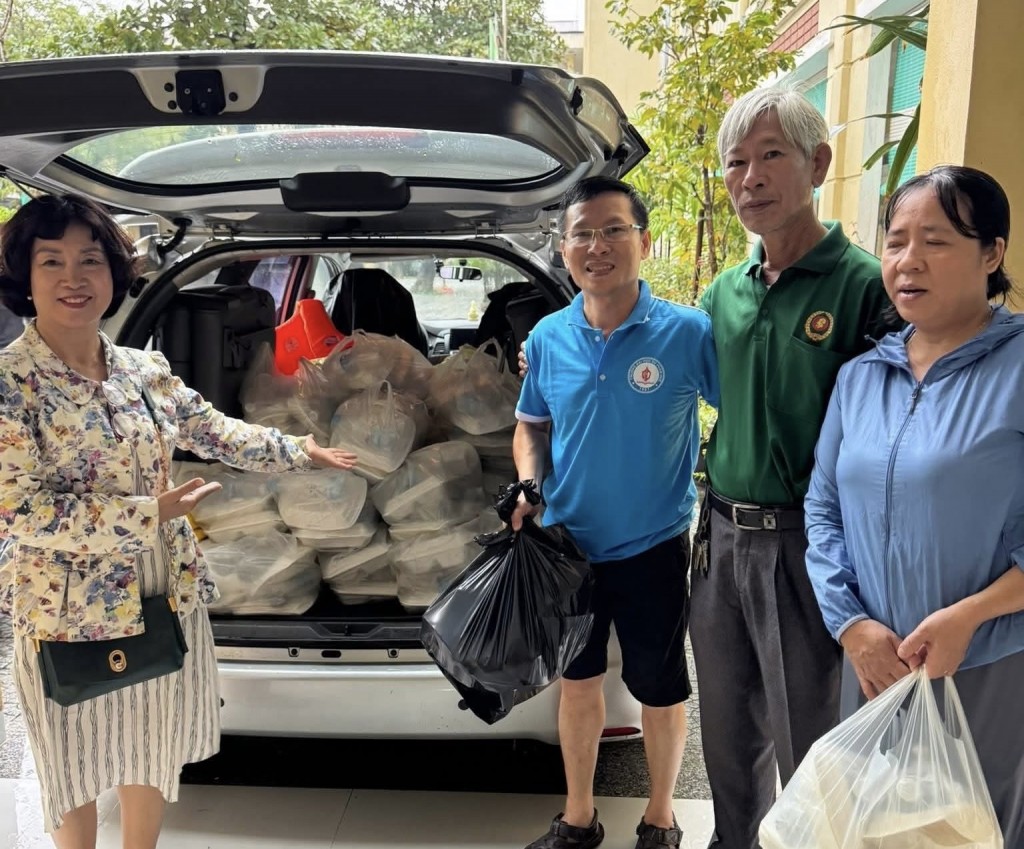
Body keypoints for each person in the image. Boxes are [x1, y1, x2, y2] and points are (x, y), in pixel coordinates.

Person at [0, 193, 358, 848]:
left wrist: (298, 450)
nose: (74, 278)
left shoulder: (142, 370)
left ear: (114, 272)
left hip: (161, 585)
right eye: (52, 262)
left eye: (90, 259)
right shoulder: (9, 382)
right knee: (71, 759)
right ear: (25, 276)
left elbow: (211, 430)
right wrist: (147, 512)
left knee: (149, 742)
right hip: (67, 600)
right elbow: (19, 509)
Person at [688, 85, 895, 849]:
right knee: (727, 729)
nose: (750, 178)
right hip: (718, 539)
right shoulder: (724, 293)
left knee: (811, 730)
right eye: (736, 163)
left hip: (808, 547)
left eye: (771, 155)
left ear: (818, 162)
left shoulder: (865, 285)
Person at [805, 165, 1024, 844]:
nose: (908, 261)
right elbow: (823, 509)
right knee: (870, 827)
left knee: (974, 828)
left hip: (987, 661)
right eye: (896, 241)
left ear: (992, 253)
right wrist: (852, 626)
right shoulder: (861, 376)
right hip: (875, 664)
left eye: (935, 240)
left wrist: (970, 615)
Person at [511, 176, 719, 849]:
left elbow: (736, 412)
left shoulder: (688, 333)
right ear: (564, 248)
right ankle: (578, 816)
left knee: (659, 688)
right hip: (569, 545)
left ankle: (660, 816)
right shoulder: (547, 338)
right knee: (576, 685)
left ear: (644, 241)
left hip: (654, 546)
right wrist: (527, 485)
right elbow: (531, 426)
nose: (595, 246)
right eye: (582, 234)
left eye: (612, 230)